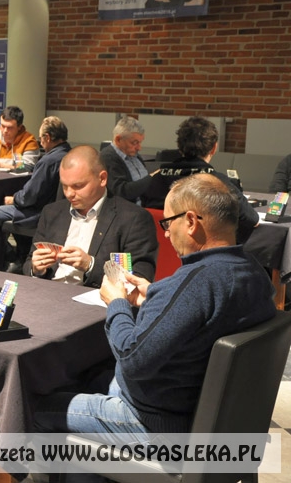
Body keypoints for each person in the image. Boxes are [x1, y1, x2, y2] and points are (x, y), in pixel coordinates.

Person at [33, 173, 276, 450]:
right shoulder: (253, 271)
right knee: (85, 377)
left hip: (156, 423)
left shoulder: (197, 283)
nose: (166, 233)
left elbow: (131, 358)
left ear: (191, 221)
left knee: (30, 407)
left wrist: (117, 302)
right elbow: (206, 316)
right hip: (210, 417)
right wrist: (156, 295)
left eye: (168, 223)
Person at [24, 146, 158, 288]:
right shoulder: (52, 212)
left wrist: (90, 265)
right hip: (48, 292)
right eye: (64, 186)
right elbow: (28, 264)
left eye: (78, 186)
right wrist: (36, 268)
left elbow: (139, 278)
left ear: (102, 178)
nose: (69, 193)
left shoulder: (133, 218)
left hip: (96, 297)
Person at [142, 116, 259, 244]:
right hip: (200, 252)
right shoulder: (217, 184)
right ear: (214, 148)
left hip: (158, 250)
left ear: (179, 147)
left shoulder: (154, 179)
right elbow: (252, 219)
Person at [0, 116, 72, 272]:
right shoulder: (70, 154)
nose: (40, 142)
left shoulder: (48, 161)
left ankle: (9, 259)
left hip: (36, 213)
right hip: (57, 212)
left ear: (47, 138)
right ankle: (20, 254)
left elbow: (29, 197)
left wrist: (14, 199)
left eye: (41, 138)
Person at [99, 116, 154, 204]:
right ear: (118, 140)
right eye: (134, 143)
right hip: (126, 209)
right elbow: (121, 192)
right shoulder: (108, 157)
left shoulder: (134, 155)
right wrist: (152, 178)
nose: (139, 148)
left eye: (140, 142)